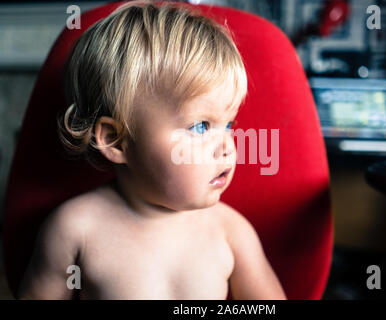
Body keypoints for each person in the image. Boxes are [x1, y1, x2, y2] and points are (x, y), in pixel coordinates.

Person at [17, 0, 286, 300]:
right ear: (116, 140)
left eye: (228, 125)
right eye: (200, 127)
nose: (227, 149)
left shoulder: (231, 233)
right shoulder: (74, 231)